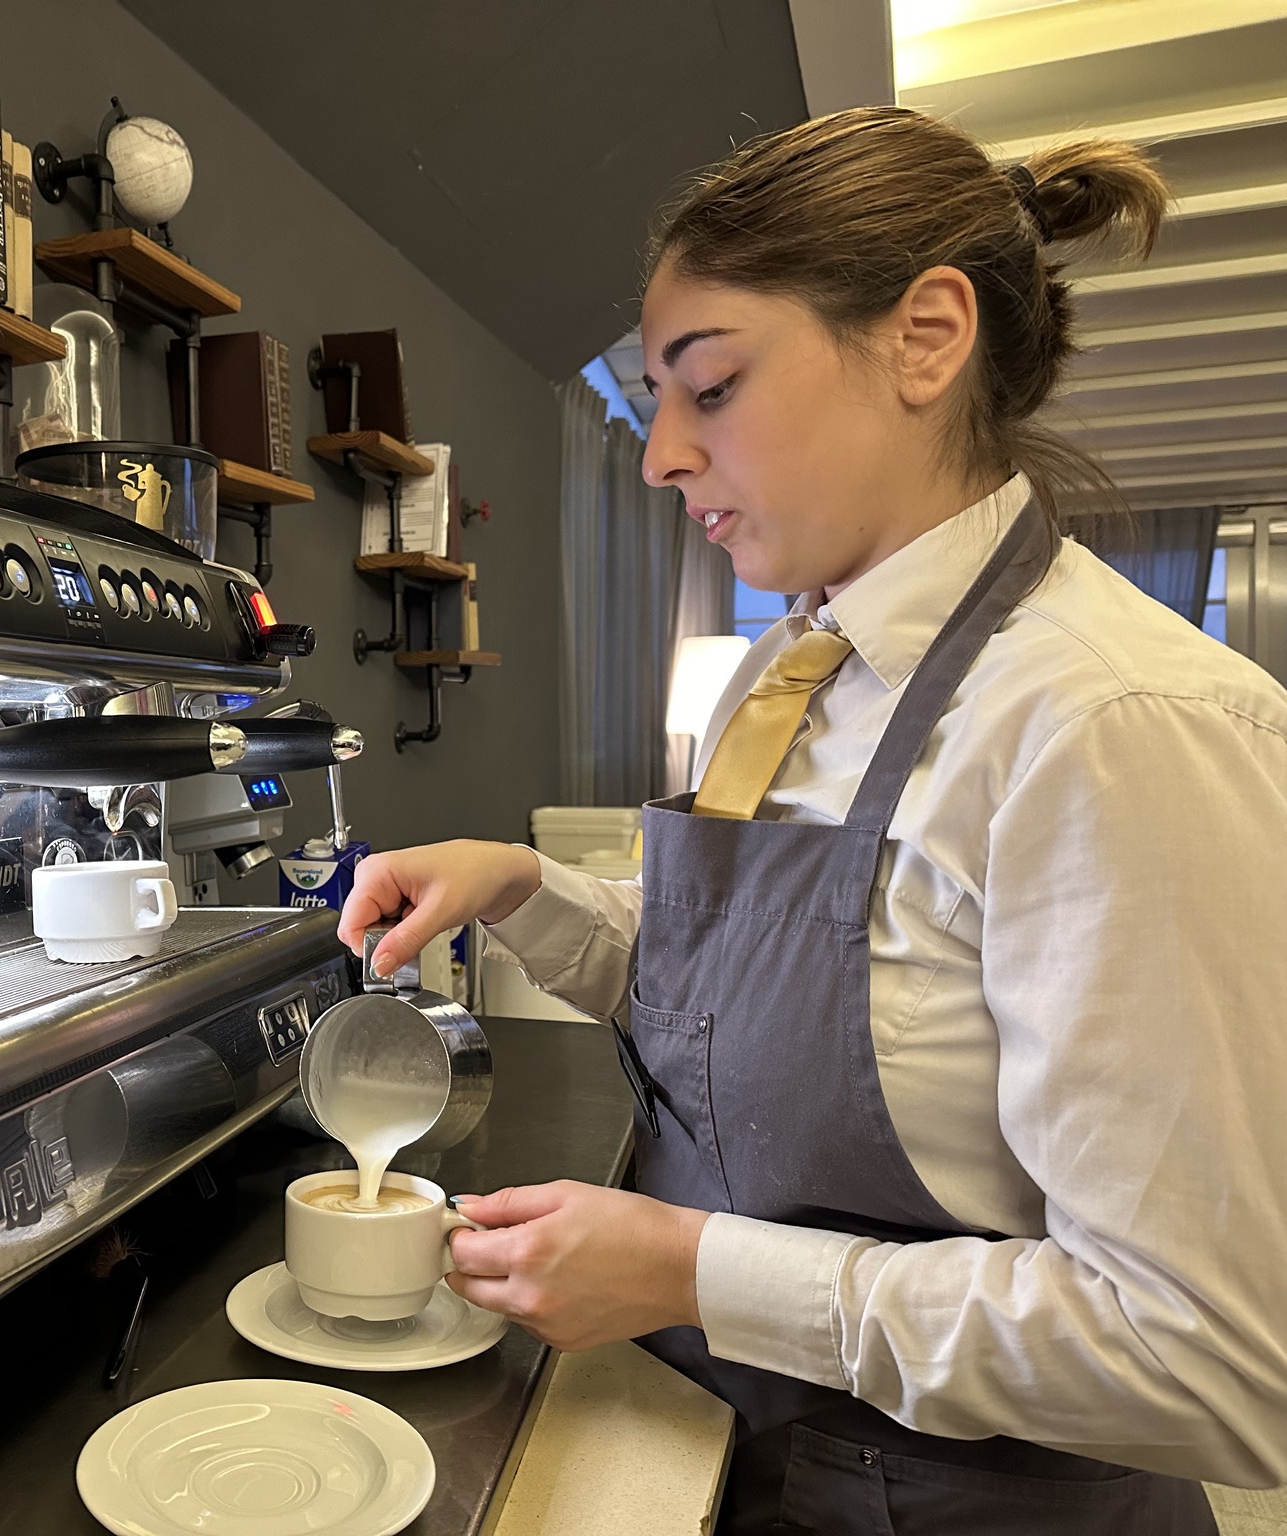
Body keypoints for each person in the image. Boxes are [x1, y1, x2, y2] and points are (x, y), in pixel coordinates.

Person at [339, 106, 1287, 1533]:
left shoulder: (1113, 728)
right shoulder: (784, 684)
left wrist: (695, 1274)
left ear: (926, 336)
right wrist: (524, 888)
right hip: (736, 1458)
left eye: (706, 389)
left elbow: (1209, 1357)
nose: (659, 456)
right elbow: (730, 995)